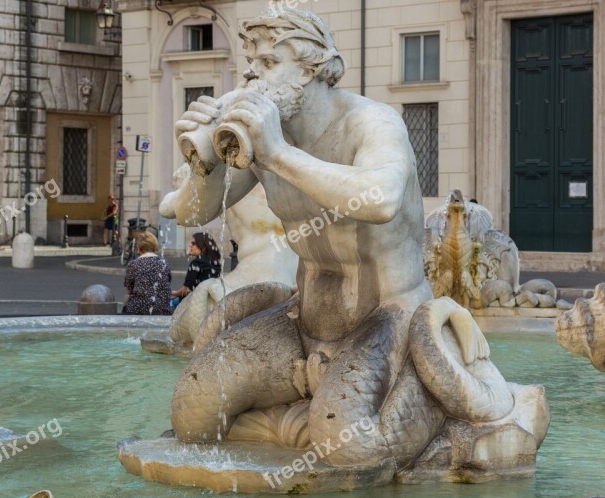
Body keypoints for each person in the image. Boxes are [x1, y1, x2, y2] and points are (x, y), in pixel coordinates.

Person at [163, 8, 452, 463]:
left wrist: (277, 153)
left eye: (270, 64)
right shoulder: (261, 137)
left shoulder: (369, 123)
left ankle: (434, 409)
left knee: (349, 447)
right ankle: (294, 424)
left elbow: (381, 199)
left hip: (388, 319)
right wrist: (202, 165)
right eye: (250, 66)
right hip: (304, 322)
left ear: (314, 67)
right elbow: (191, 212)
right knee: (193, 412)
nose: (254, 78)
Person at [122, 232, 172, 315]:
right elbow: (166, 283)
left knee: (126, 303)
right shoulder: (164, 263)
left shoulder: (133, 264)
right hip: (162, 310)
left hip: (138, 309)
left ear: (138, 248)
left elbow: (129, 289)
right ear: (154, 247)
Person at [171, 232, 221, 309]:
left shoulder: (196, 263)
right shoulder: (215, 262)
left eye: (193, 243)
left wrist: (172, 293)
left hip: (192, 304)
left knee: (168, 304)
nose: (190, 245)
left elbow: (186, 290)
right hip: (208, 302)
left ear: (203, 247)